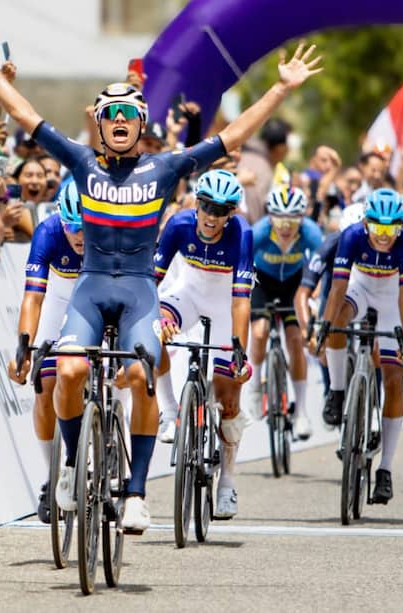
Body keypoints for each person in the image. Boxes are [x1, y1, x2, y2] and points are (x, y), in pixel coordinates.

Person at [0, 23, 323, 533]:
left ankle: (136, 492)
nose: (120, 120)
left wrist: (280, 88)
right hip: (91, 289)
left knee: (146, 376)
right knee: (71, 373)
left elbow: (234, 136)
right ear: (99, 126)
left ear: (141, 123)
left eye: (129, 114)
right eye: (110, 115)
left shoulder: (164, 170)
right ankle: (74, 467)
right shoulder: (82, 164)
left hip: (141, 294)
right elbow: (25, 116)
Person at [153, 169, 253, 518]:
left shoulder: (242, 233)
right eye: (207, 207)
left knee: (229, 398)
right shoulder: (179, 225)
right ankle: (169, 413)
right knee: (153, 336)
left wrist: (238, 347)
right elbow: (153, 283)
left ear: (232, 213)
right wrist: (154, 321)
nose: (212, 216)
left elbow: (241, 301)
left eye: (221, 210)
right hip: (188, 297)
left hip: (226, 307)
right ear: (197, 203)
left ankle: (227, 482)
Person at [315, 189, 403, 503]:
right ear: (365, 222)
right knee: (338, 319)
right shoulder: (350, 236)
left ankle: (384, 470)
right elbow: (337, 288)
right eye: (377, 228)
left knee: (395, 379)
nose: (384, 236)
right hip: (359, 288)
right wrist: (325, 328)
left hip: (390, 299)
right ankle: (337, 390)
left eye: (391, 229)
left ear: (400, 226)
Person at [9, 182, 84, 523]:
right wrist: (24, 347)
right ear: (61, 219)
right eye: (72, 226)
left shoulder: (109, 231)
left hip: (97, 300)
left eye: (85, 227)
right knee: (45, 385)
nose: (79, 235)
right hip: (59, 300)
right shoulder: (48, 232)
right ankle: (52, 475)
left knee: (114, 374)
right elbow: (33, 298)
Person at [246, 186, 322, 440]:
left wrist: (315, 292)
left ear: (301, 218)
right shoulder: (259, 232)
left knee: (296, 339)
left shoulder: (310, 232)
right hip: (263, 283)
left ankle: (301, 411)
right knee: (259, 332)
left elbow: (323, 264)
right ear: (270, 216)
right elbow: (241, 262)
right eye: (279, 219)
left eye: (292, 220)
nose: (286, 226)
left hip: (293, 283)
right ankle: (256, 386)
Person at [295, 203, 365, 398]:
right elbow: (303, 292)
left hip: (363, 292)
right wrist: (306, 329)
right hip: (333, 294)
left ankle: (373, 399)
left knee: (374, 347)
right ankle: (330, 390)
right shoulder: (330, 245)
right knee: (323, 343)